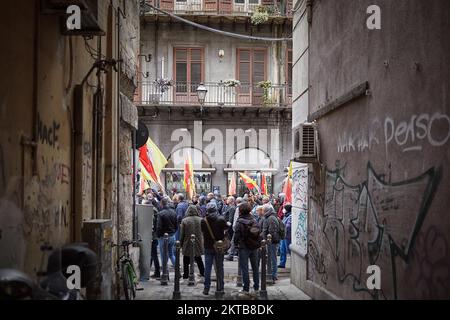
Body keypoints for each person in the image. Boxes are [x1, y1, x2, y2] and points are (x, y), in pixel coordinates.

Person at [200, 202, 229, 296]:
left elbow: (203, 231)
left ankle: (206, 288)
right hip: (219, 246)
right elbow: (226, 229)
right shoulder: (221, 219)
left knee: (207, 268)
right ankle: (221, 286)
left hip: (208, 246)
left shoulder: (204, 220)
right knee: (220, 267)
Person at [234, 202, 261, 296]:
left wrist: (235, 245)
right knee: (255, 268)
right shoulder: (254, 220)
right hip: (254, 246)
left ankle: (246, 288)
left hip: (243, 247)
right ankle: (256, 287)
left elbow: (236, 235)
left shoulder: (239, 222)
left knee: (244, 268)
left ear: (240, 211)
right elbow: (258, 232)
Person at [180, 205, 205, 279]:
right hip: (198, 241)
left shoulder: (185, 220)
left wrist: (181, 244)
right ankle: (202, 272)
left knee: (186, 259)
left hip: (187, 241)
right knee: (198, 258)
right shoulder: (201, 220)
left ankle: (186, 274)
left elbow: (182, 234)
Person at [156, 197, 178, 270]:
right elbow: (176, 225)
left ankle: (165, 273)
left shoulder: (161, 214)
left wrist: (158, 235)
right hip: (172, 235)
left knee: (163, 255)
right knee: (171, 253)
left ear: (162, 204)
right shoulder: (173, 212)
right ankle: (176, 268)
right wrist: (173, 232)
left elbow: (159, 227)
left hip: (163, 237)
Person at [261, 204, 281, 282]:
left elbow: (272, 231)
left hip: (272, 242)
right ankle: (272, 274)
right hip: (271, 241)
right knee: (271, 258)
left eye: (263, 210)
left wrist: (267, 240)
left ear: (266, 210)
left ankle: (273, 275)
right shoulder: (269, 217)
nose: (262, 211)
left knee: (272, 258)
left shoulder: (271, 218)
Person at [226, 197, 243, 261]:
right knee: (235, 241)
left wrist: (234, 227)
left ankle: (231, 254)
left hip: (237, 227)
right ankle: (232, 253)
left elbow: (235, 219)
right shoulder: (240, 207)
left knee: (233, 241)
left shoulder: (237, 208)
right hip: (239, 227)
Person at [278, 204, 292, 269]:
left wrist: (283, 230)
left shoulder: (290, 216)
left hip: (287, 236)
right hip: (283, 236)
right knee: (282, 249)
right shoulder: (286, 216)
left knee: (288, 250)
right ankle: (282, 263)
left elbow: (288, 226)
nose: (283, 210)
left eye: (284, 208)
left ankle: (293, 262)